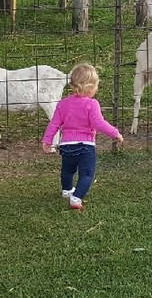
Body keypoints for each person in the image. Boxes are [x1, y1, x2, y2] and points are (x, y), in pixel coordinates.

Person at [42, 63, 123, 210]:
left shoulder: (63, 104)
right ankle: (76, 197)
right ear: (90, 87)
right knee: (87, 174)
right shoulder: (92, 104)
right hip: (85, 146)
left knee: (67, 170)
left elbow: (54, 124)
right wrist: (115, 133)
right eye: (96, 86)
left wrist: (47, 140)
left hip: (67, 145)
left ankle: (66, 190)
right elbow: (99, 123)